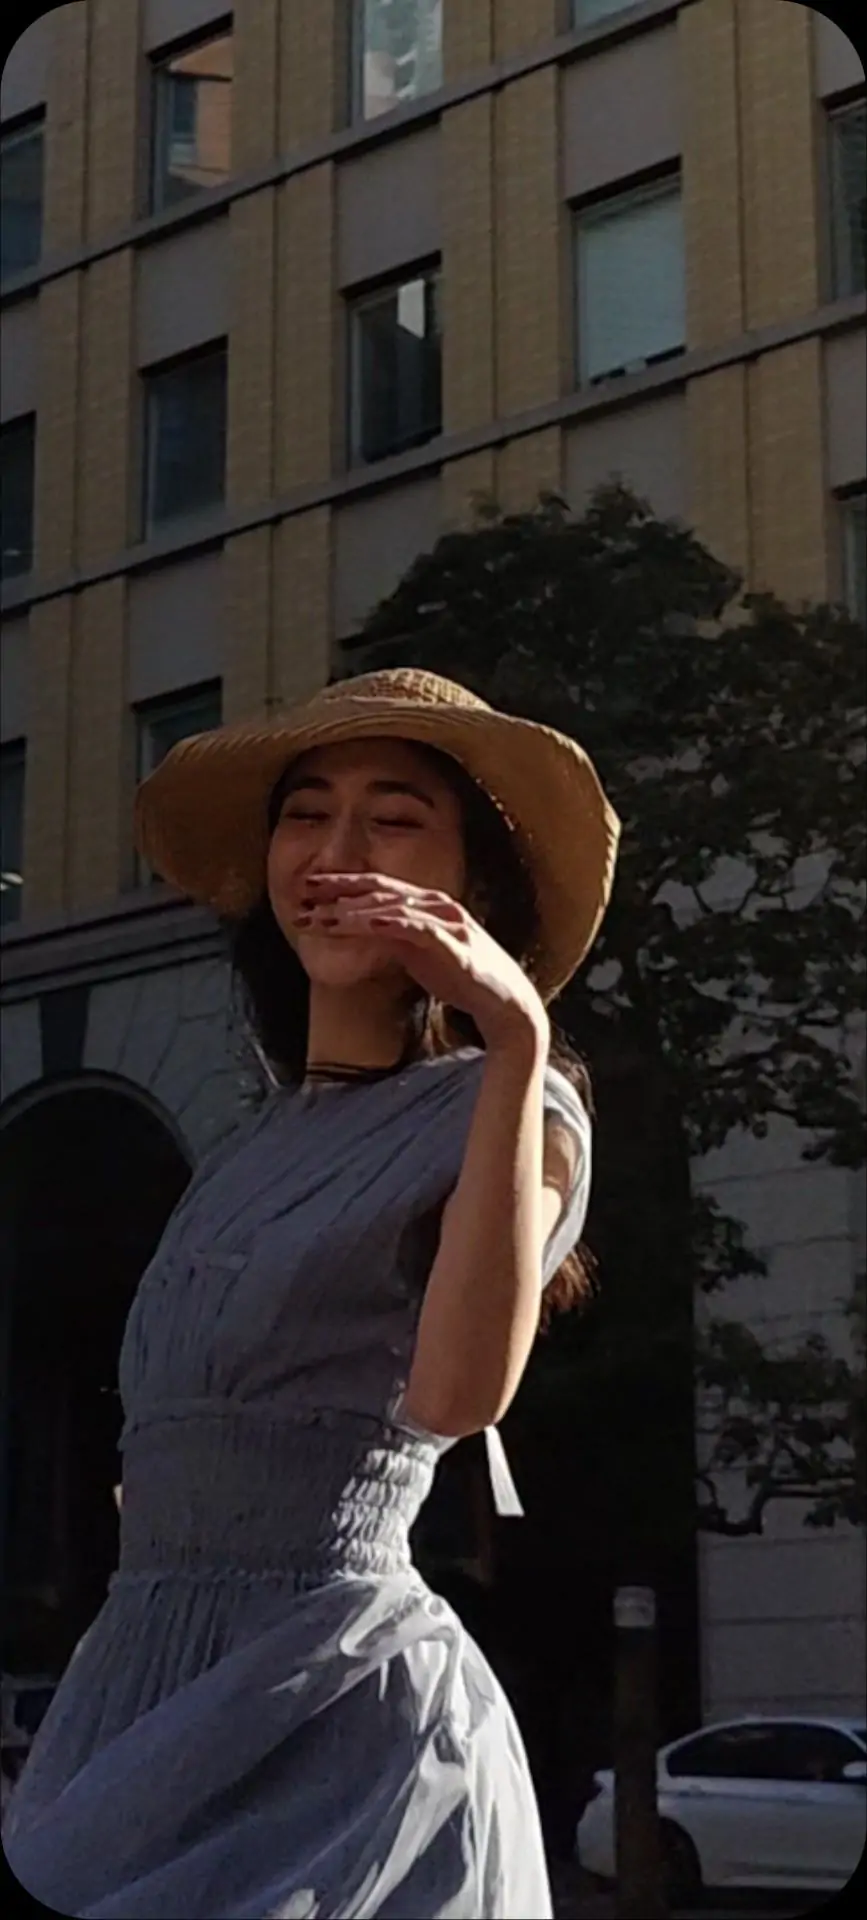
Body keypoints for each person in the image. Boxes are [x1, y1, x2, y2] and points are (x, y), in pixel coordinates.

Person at [4, 668, 619, 1918]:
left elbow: (456, 1396)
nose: (338, 853)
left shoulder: (512, 1105)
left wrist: (513, 1034)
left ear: (475, 887)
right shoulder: (245, 1150)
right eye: (304, 814)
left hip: (342, 1716)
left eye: (394, 819)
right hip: (141, 1682)